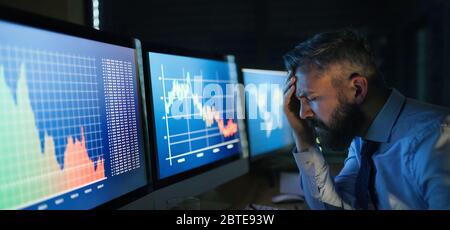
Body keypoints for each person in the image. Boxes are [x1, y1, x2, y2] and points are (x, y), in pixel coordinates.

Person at [282, 29, 450, 210]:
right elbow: (332, 208)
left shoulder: (436, 142)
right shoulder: (364, 138)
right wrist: (303, 137)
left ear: (357, 89)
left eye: (312, 99)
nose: (303, 114)